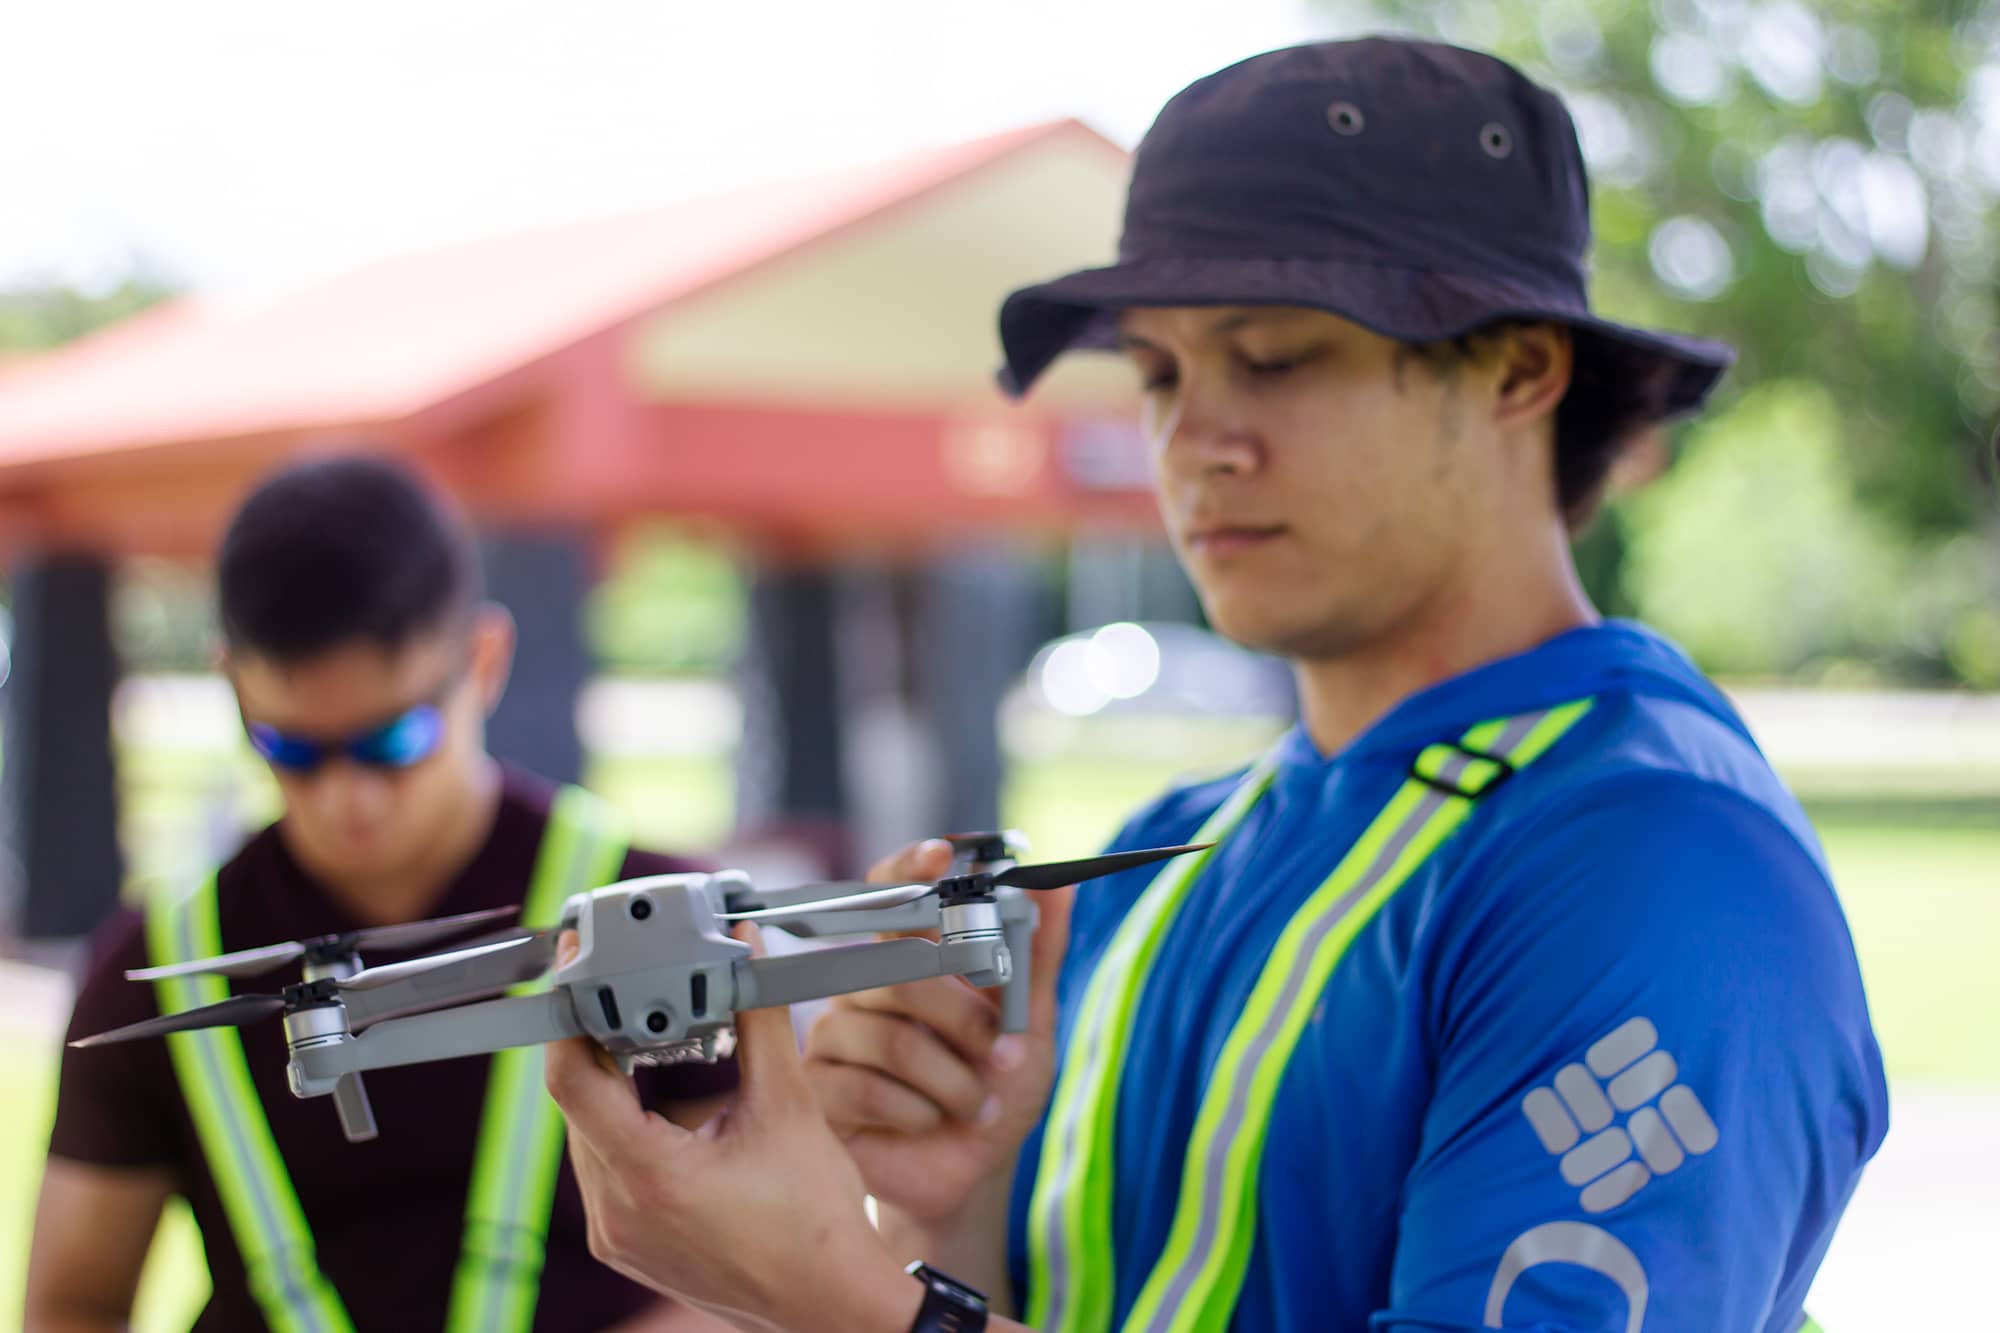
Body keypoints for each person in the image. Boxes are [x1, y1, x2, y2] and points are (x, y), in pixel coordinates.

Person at [541, 37, 1888, 1332]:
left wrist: (838, 1301)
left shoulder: (1653, 868)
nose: (1194, 442)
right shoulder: (1166, 847)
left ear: (1519, 370)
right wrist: (948, 1216)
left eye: (1277, 358)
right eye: (1158, 370)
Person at [30, 456, 736, 1332]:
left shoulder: (654, 918)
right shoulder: (157, 973)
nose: (345, 799)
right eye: (289, 747)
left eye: (393, 739)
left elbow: (771, 1265)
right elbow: (72, 1303)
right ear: (232, 684)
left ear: (482, 660)